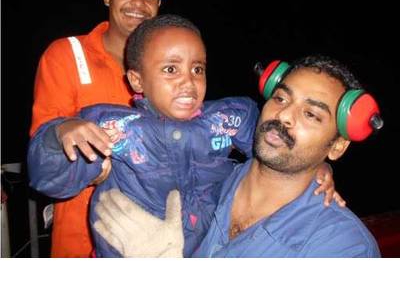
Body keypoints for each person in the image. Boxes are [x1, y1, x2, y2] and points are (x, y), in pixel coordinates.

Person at [28, 16, 339, 257]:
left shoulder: (228, 118)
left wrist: (317, 165)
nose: (188, 82)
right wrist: (58, 135)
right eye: (170, 70)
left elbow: (282, 146)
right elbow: (51, 180)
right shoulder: (115, 126)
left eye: (197, 69)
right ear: (137, 79)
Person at [92, 55, 382, 257]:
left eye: (310, 114)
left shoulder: (344, 247)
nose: (283, 115)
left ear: (337, 146)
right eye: (280, 98)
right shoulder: (210, 177)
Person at [29, 0, 168, 257]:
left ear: (158, 4)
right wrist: (84, 162)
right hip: (81, 245)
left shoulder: (166, 70)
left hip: (150, 243)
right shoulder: (66, 55)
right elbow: (44, 156)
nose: (138, 4)